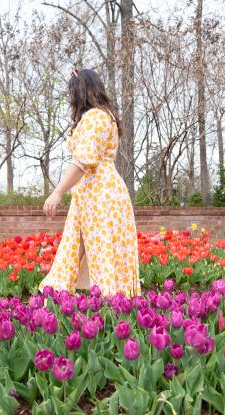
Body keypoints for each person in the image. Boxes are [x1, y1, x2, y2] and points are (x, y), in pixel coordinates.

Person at [40, 68, 140, 297]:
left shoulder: (96, 117)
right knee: (72, 249)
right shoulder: (104, 115)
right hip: (91, 193)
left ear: (80, 91)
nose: (70, 98)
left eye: (71, 92)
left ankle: (111, 309)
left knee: (102, 251)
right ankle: (57, 301)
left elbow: (84, 162)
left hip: (100, 194)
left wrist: (57, 193)